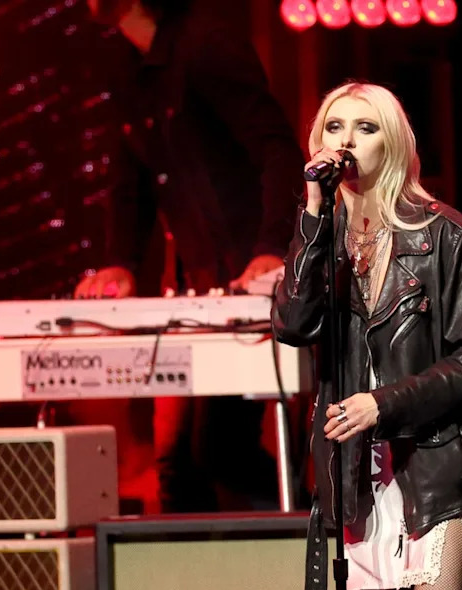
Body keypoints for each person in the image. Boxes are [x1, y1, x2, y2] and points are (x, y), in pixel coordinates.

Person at [273, 82, 462, 590]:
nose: (346, 140)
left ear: (394, 142)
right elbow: (292, 324)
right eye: (334, 127)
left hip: (437, 468)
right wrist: (313, 213)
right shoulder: (321, 239)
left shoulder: (448, 236)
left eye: (365, 127)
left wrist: (383, 404)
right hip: (359, 478)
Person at [75, 0, 305, 512]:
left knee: (217, 451)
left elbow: (278, 149)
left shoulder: (205, 45)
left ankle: (318, 548)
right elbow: (128, 182)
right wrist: (120, 262)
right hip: (198, 287)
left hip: (252, 280)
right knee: (177, 462)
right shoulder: (125, 65)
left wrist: (272, 250)